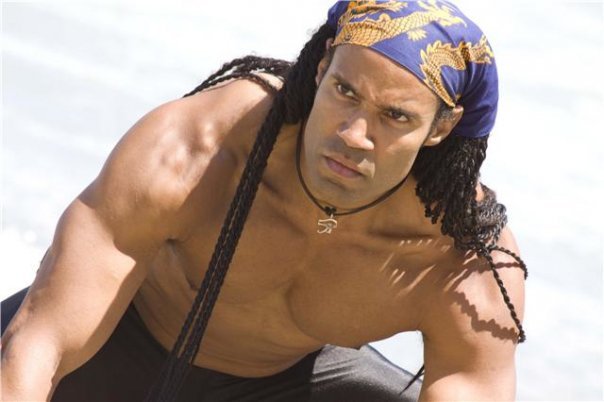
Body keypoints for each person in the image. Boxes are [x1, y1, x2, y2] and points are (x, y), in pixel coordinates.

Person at [1, 1, 527, 401]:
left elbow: (471, 385)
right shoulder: (201, 149)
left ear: (441, 127)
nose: (353, 134)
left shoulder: (460, 260)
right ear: (322, 67)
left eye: (395, 117)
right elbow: (44, 341)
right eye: (345, 92)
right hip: (114, 350)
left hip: (290, 383)